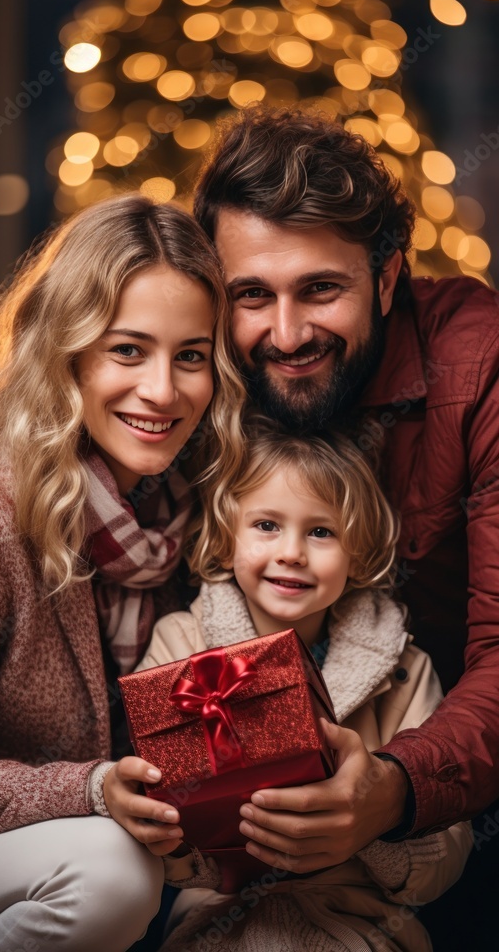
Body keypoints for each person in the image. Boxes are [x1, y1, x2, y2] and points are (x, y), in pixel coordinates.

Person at [190, 107, 499, 878]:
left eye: (320, 289)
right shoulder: (203, 369)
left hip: (458, 782)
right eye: (253, 296)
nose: (288, 335)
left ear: (387, 276)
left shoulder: (482, 361)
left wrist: (389, 792)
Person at [0, 194, 246, 952]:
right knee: (112, 869)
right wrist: (91, 790)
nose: (163, 391)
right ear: (67, 351)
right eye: (128, 350)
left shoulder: (187, 510)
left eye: (192, 356)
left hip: (63, 855)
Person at [133, 427, 472, 952]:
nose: (291, 552)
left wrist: (371, 826)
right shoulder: (179, 643)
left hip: (360, 921)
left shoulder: (406, 670)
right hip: (217, 919)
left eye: (321, 532)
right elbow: (154, 817)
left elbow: (446, 841)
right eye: (267, 525)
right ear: (226, 539)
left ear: (358, 555)